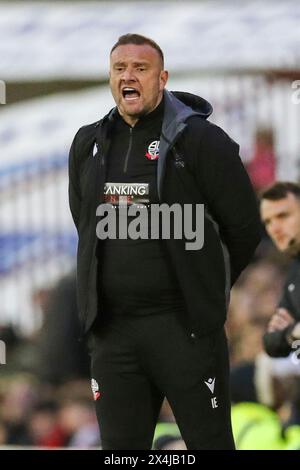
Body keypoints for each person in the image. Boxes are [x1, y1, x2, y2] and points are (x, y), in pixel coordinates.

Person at [68, 33, 261, 450]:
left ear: (162, 78)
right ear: (110, 78)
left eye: (140, 68)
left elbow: (245, 227)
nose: (129, 76)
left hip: (184, 329)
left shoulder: (202, 141)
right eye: (120, 68)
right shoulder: (89, 143)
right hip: (114, 333)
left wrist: (207, 285)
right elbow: (85, 222)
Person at [260, 182, 300, 357]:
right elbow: (271, 343)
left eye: (283, 216)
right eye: (268, 222)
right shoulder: (295, 272)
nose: (274, 229)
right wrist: (293, 334)